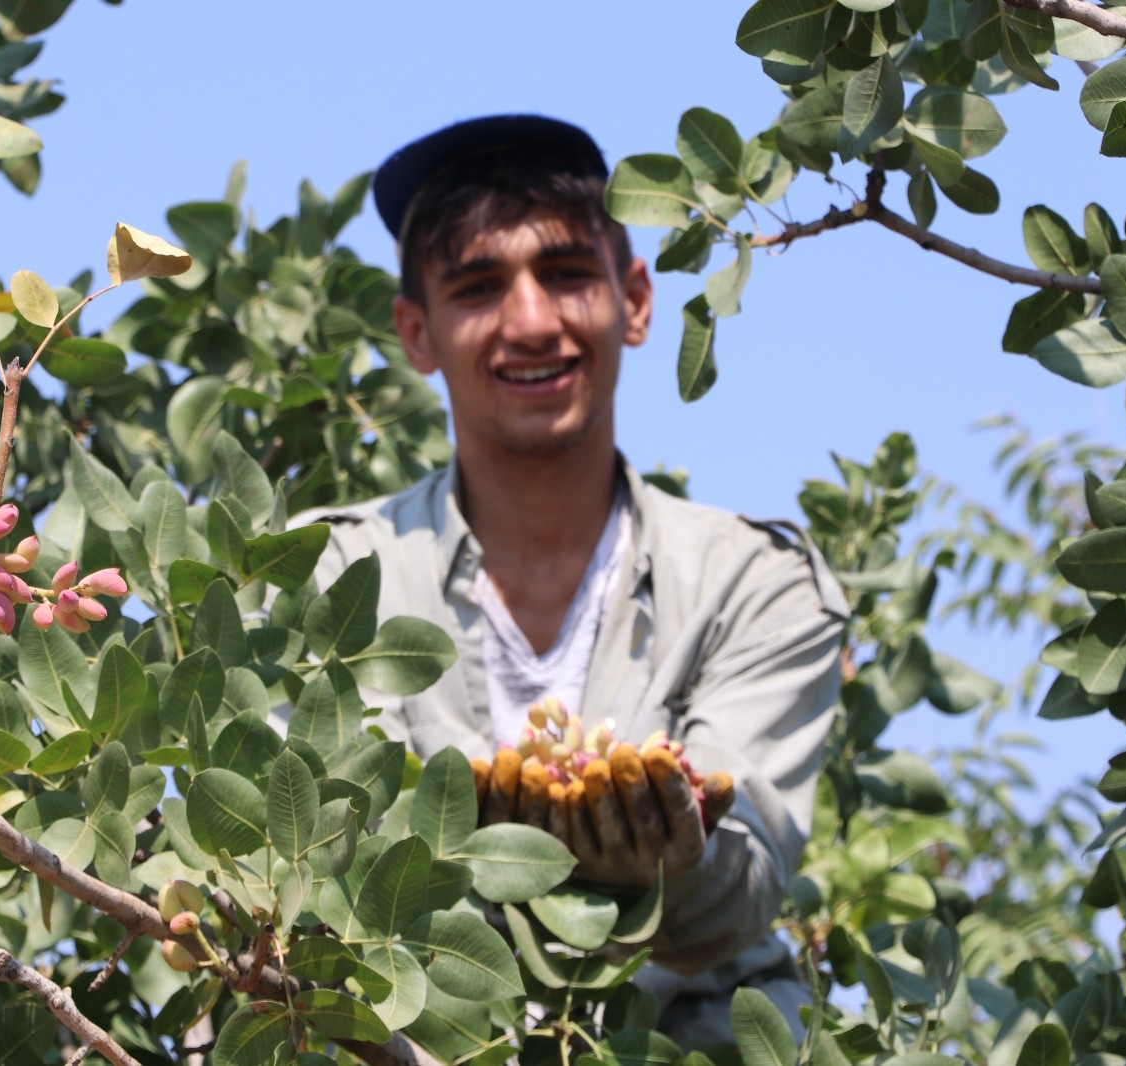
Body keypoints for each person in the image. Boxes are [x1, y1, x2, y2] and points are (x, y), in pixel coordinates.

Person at [297, 115, 847, 1041]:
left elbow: (740, 895)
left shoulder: (760, 583)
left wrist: (658, 859)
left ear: (635, 299)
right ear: (415, 333)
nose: (531, 321)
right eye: (476, 287)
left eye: (566, 275)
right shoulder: (323, 574)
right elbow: (311, 877)